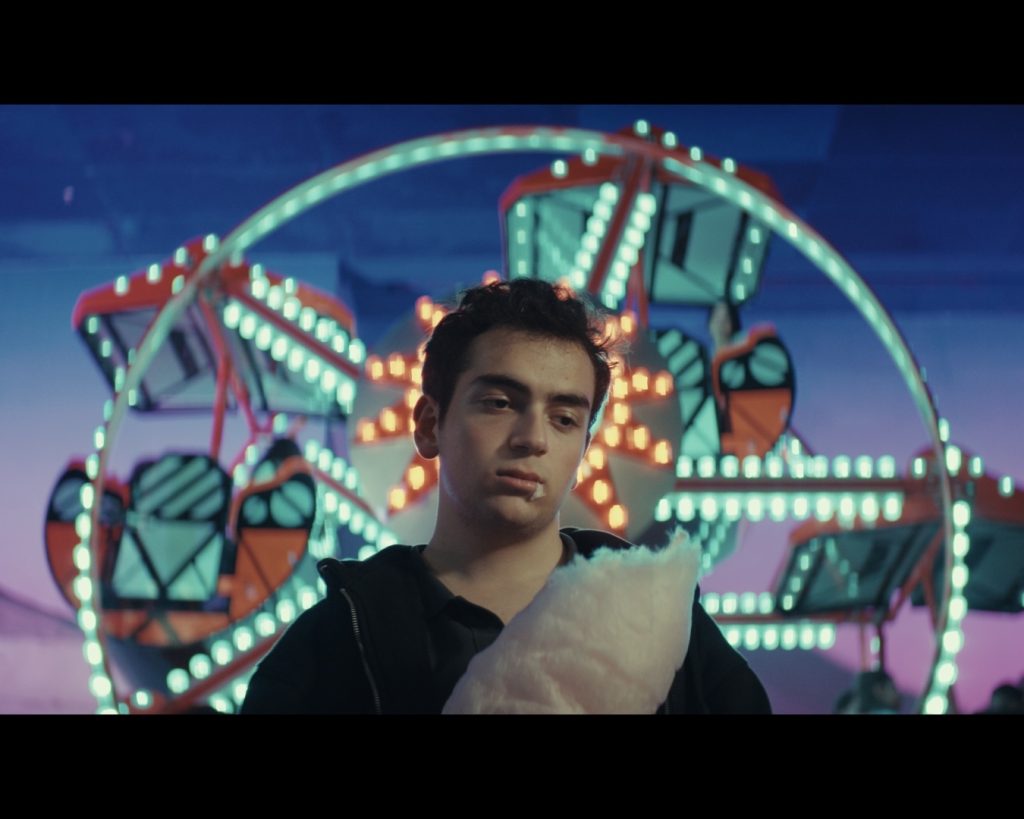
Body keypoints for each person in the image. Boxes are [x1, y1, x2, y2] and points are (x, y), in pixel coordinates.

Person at [241, 279, 771, 714]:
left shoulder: (659, 614)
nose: (533, 438)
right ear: (428, 424)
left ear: (584, 451)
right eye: (499, 403)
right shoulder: (335, 642)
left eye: (564, 418)